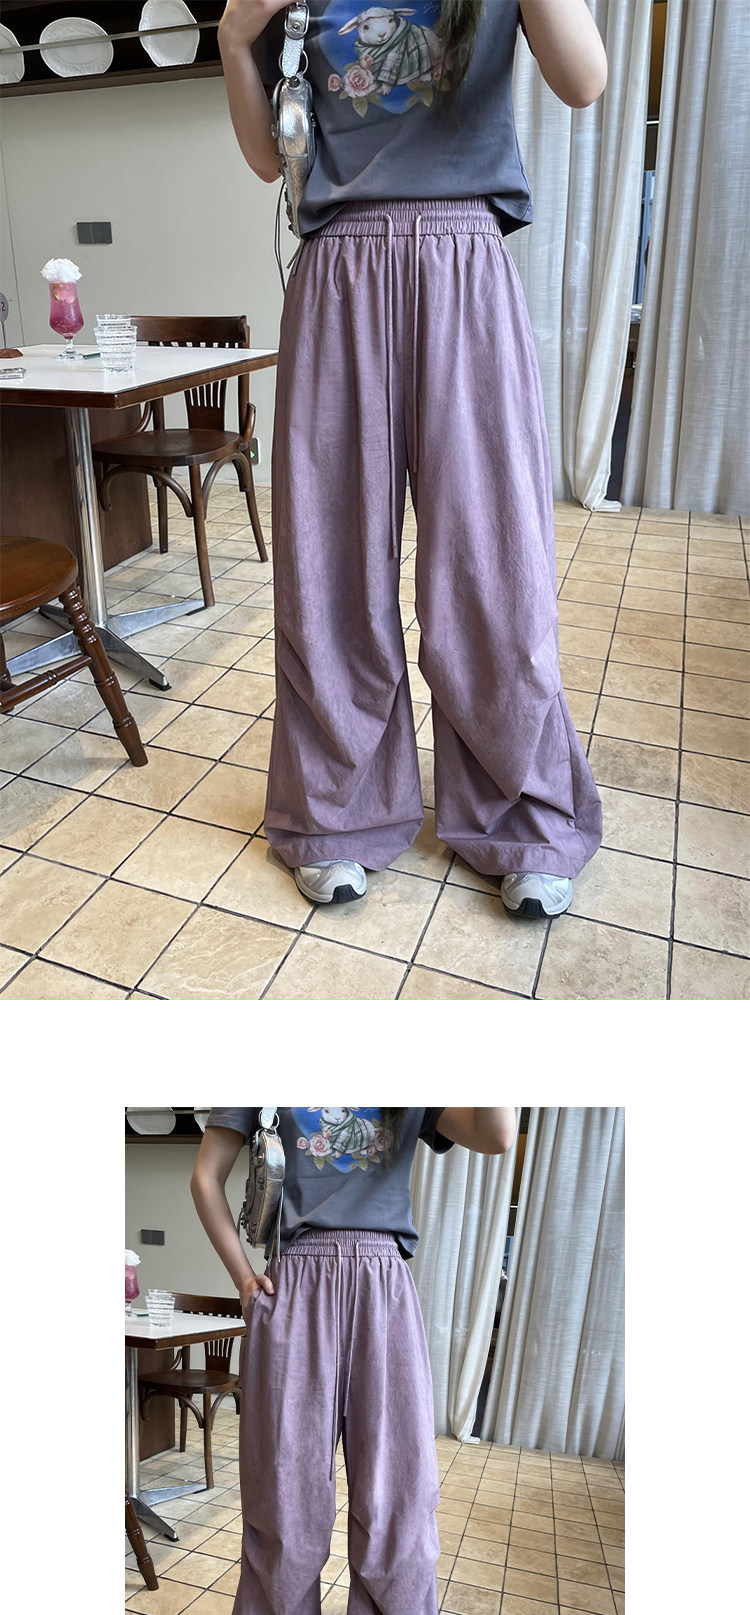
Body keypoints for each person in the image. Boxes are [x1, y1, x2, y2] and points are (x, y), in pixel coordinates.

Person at [216, 0, 606, 923]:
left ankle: (523, 812)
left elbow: (584, 80)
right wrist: (233, 36)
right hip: (337, 267)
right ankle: (336, 812)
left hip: (465, 260)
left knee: (492, 563)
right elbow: (269, 157)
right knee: (329, 564)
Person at [191, 1103, 515, 1615]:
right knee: (284, 1479)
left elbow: (497, 1135)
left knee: (400, 1486)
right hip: (295, 1279)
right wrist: (243, 1278)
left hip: (382, 1279)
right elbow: (206, 1176)